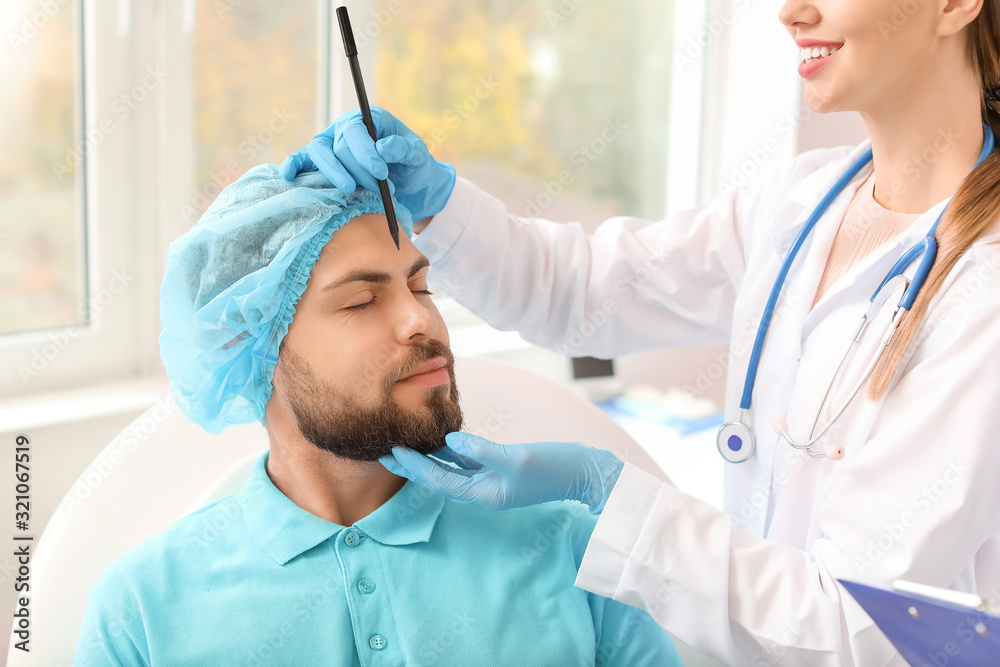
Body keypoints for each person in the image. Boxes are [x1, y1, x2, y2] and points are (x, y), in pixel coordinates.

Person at [279, 0, 1000, 664]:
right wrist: (441, 204)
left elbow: (857, 627)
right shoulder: (801, 200)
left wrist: (609, 494)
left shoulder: (984, 293)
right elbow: (586, 291)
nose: (790, 11)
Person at [72, 165, 681, 666]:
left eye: (420, 288)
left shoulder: (572, 551)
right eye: (361, 300)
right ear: (250, 347)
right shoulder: (143, 610)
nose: (422, 320)